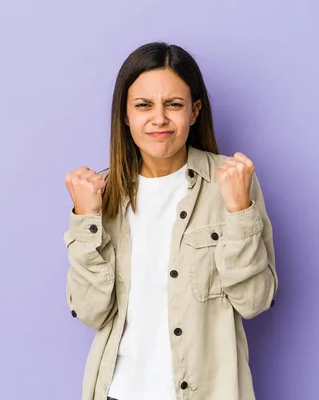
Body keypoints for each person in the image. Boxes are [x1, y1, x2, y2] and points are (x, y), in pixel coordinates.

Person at [63, 42, 277, 400]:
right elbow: (91, 312)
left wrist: (239, 211)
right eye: (144, 105)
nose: (159, 118)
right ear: (125, 115)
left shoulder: (231, 181)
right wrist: (86, 219)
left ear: (194, 111)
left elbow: (254, 302)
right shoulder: (101, 193)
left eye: (173, 104)